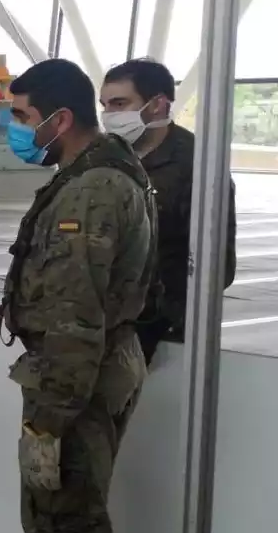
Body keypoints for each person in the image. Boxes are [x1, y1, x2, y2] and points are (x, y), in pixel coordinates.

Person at [2, 59, 156, 533]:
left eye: (23, 117)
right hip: (86, 374)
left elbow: (74, 314)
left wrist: (49, 420)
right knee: (64, 522)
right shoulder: (94, 175)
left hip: (74, 385)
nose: (16, 128)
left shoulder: (90, 192)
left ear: (60, 120)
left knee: (69, 530)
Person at [100, 58, 237, 363]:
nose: (109, 115)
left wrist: (158, 317)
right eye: (105, 105)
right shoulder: (105, 158)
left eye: (120, 103)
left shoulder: (197, 165)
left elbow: (215, 266)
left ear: (158, 104)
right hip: (101, 319)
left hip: (161, 333)